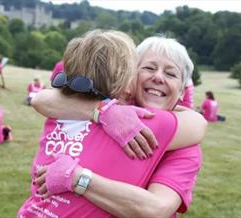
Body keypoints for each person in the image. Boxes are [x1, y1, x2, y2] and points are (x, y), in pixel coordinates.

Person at [25, 34, 205, 217]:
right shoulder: (103, 106)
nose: (158, 77)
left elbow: (155, 209)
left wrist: (77, 178)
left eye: (171, 73)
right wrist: (104, 111)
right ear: (131, 76)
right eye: (149, 68)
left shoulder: (184, 142)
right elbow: (42, 99)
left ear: (182, 92)